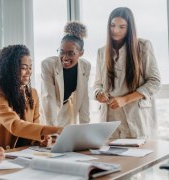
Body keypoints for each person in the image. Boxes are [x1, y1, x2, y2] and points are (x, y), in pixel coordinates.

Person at [94, 7, 161, 138]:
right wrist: (98, 94)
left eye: (122, 27)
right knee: (111, 157)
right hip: (110, 119)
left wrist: (125, 99)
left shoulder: (143, 46)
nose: (116, 30)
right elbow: (98, 83)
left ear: (130, 28)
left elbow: (155, 82)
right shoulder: (102, 51)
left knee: (139, 156)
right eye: (112, 25)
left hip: (136, 117)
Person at [0, 45, 63, 150]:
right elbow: (15, 125)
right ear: (11, 69)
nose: (29, 72)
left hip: (24, 153)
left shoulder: (32, 94)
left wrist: (42, 139)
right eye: (24, 68)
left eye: (30, 68)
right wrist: (58, 130)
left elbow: (35, 126)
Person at [41, 21, 91, 126]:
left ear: (81, 53)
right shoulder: (48, 65)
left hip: (67, 111)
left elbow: (84, 98)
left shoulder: (85, 66)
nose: (65, 57)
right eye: (62, 52)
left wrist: (86, 128)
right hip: (49, 111)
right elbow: (48, 98)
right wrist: (52, 129)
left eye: (71, 53)